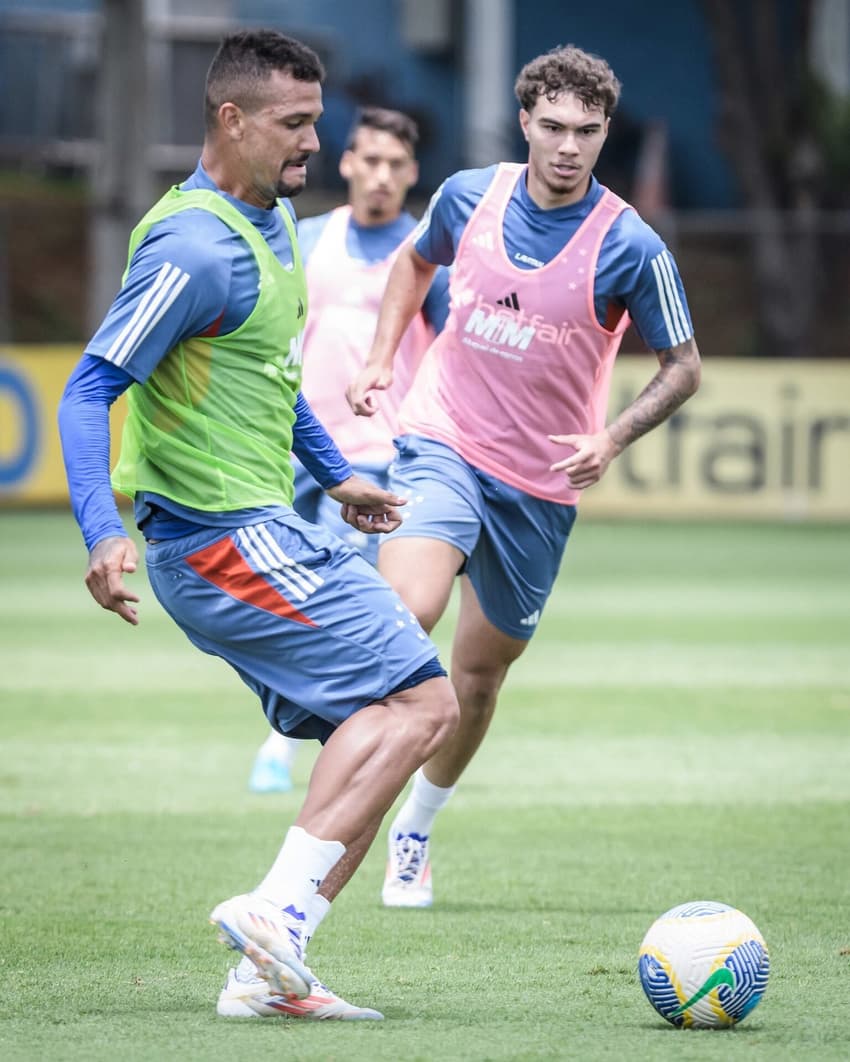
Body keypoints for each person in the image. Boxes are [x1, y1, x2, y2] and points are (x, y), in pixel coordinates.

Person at [57, 29, 458, 1021]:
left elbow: (272, 386)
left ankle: (269, 973)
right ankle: (276, 910)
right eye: (293, 123)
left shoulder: (273, 221)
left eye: (315, 121)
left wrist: (338, 477)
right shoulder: (195, 247)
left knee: (381, 734)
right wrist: (100, 532)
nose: (313, 143)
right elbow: (90, 386)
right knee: (428, 703)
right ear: (229, 120)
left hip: (272, 524)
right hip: (218, 540)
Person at [345, 44, 702, 907]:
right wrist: (383, 359)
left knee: (477, 678)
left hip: (540, 488)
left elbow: (683, 367)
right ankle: (340, 811)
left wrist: (610, 439)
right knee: (407, 617)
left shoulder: (632, 245)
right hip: (443, 440)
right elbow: (415, 262)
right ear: (525, 121)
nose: (569, 145)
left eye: (586, 130)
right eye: (553, 127)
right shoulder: (468, 195)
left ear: (604, 130)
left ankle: (417, 828)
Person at [248, 105, 450, 794]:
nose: (382, 175)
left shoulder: (426, 257)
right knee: (288, 605)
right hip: (290, 450)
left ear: (412, 174)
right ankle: (302, 733)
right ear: (347, 163)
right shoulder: (304, 239)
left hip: (373, 460)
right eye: (370, 160)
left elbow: (451, 355)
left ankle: (297, 746)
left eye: (396, 164)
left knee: (338, 602)